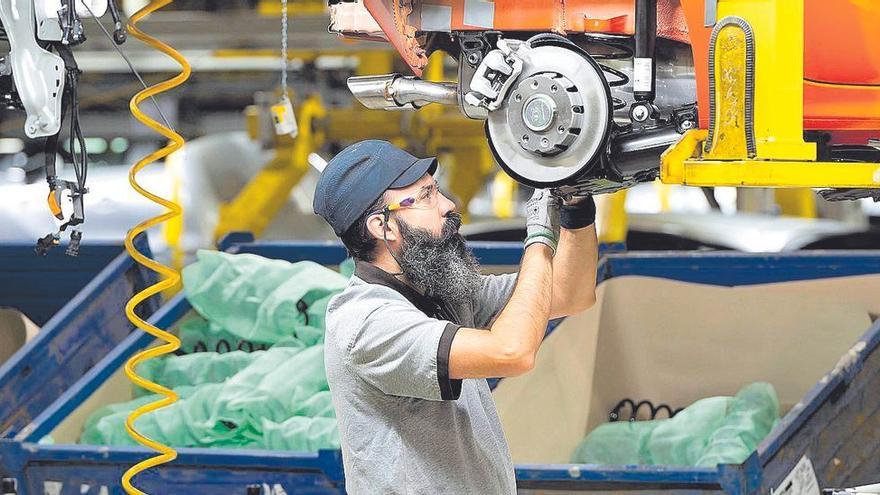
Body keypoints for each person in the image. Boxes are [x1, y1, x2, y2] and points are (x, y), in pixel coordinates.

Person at [313, 140, 598, 494]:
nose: (449, 205)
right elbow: (512, 351)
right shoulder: (367, 322)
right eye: (427, 196)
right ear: (382, 227)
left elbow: (568, 294)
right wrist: (539, 238)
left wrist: (576, 207)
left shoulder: (440, 291)